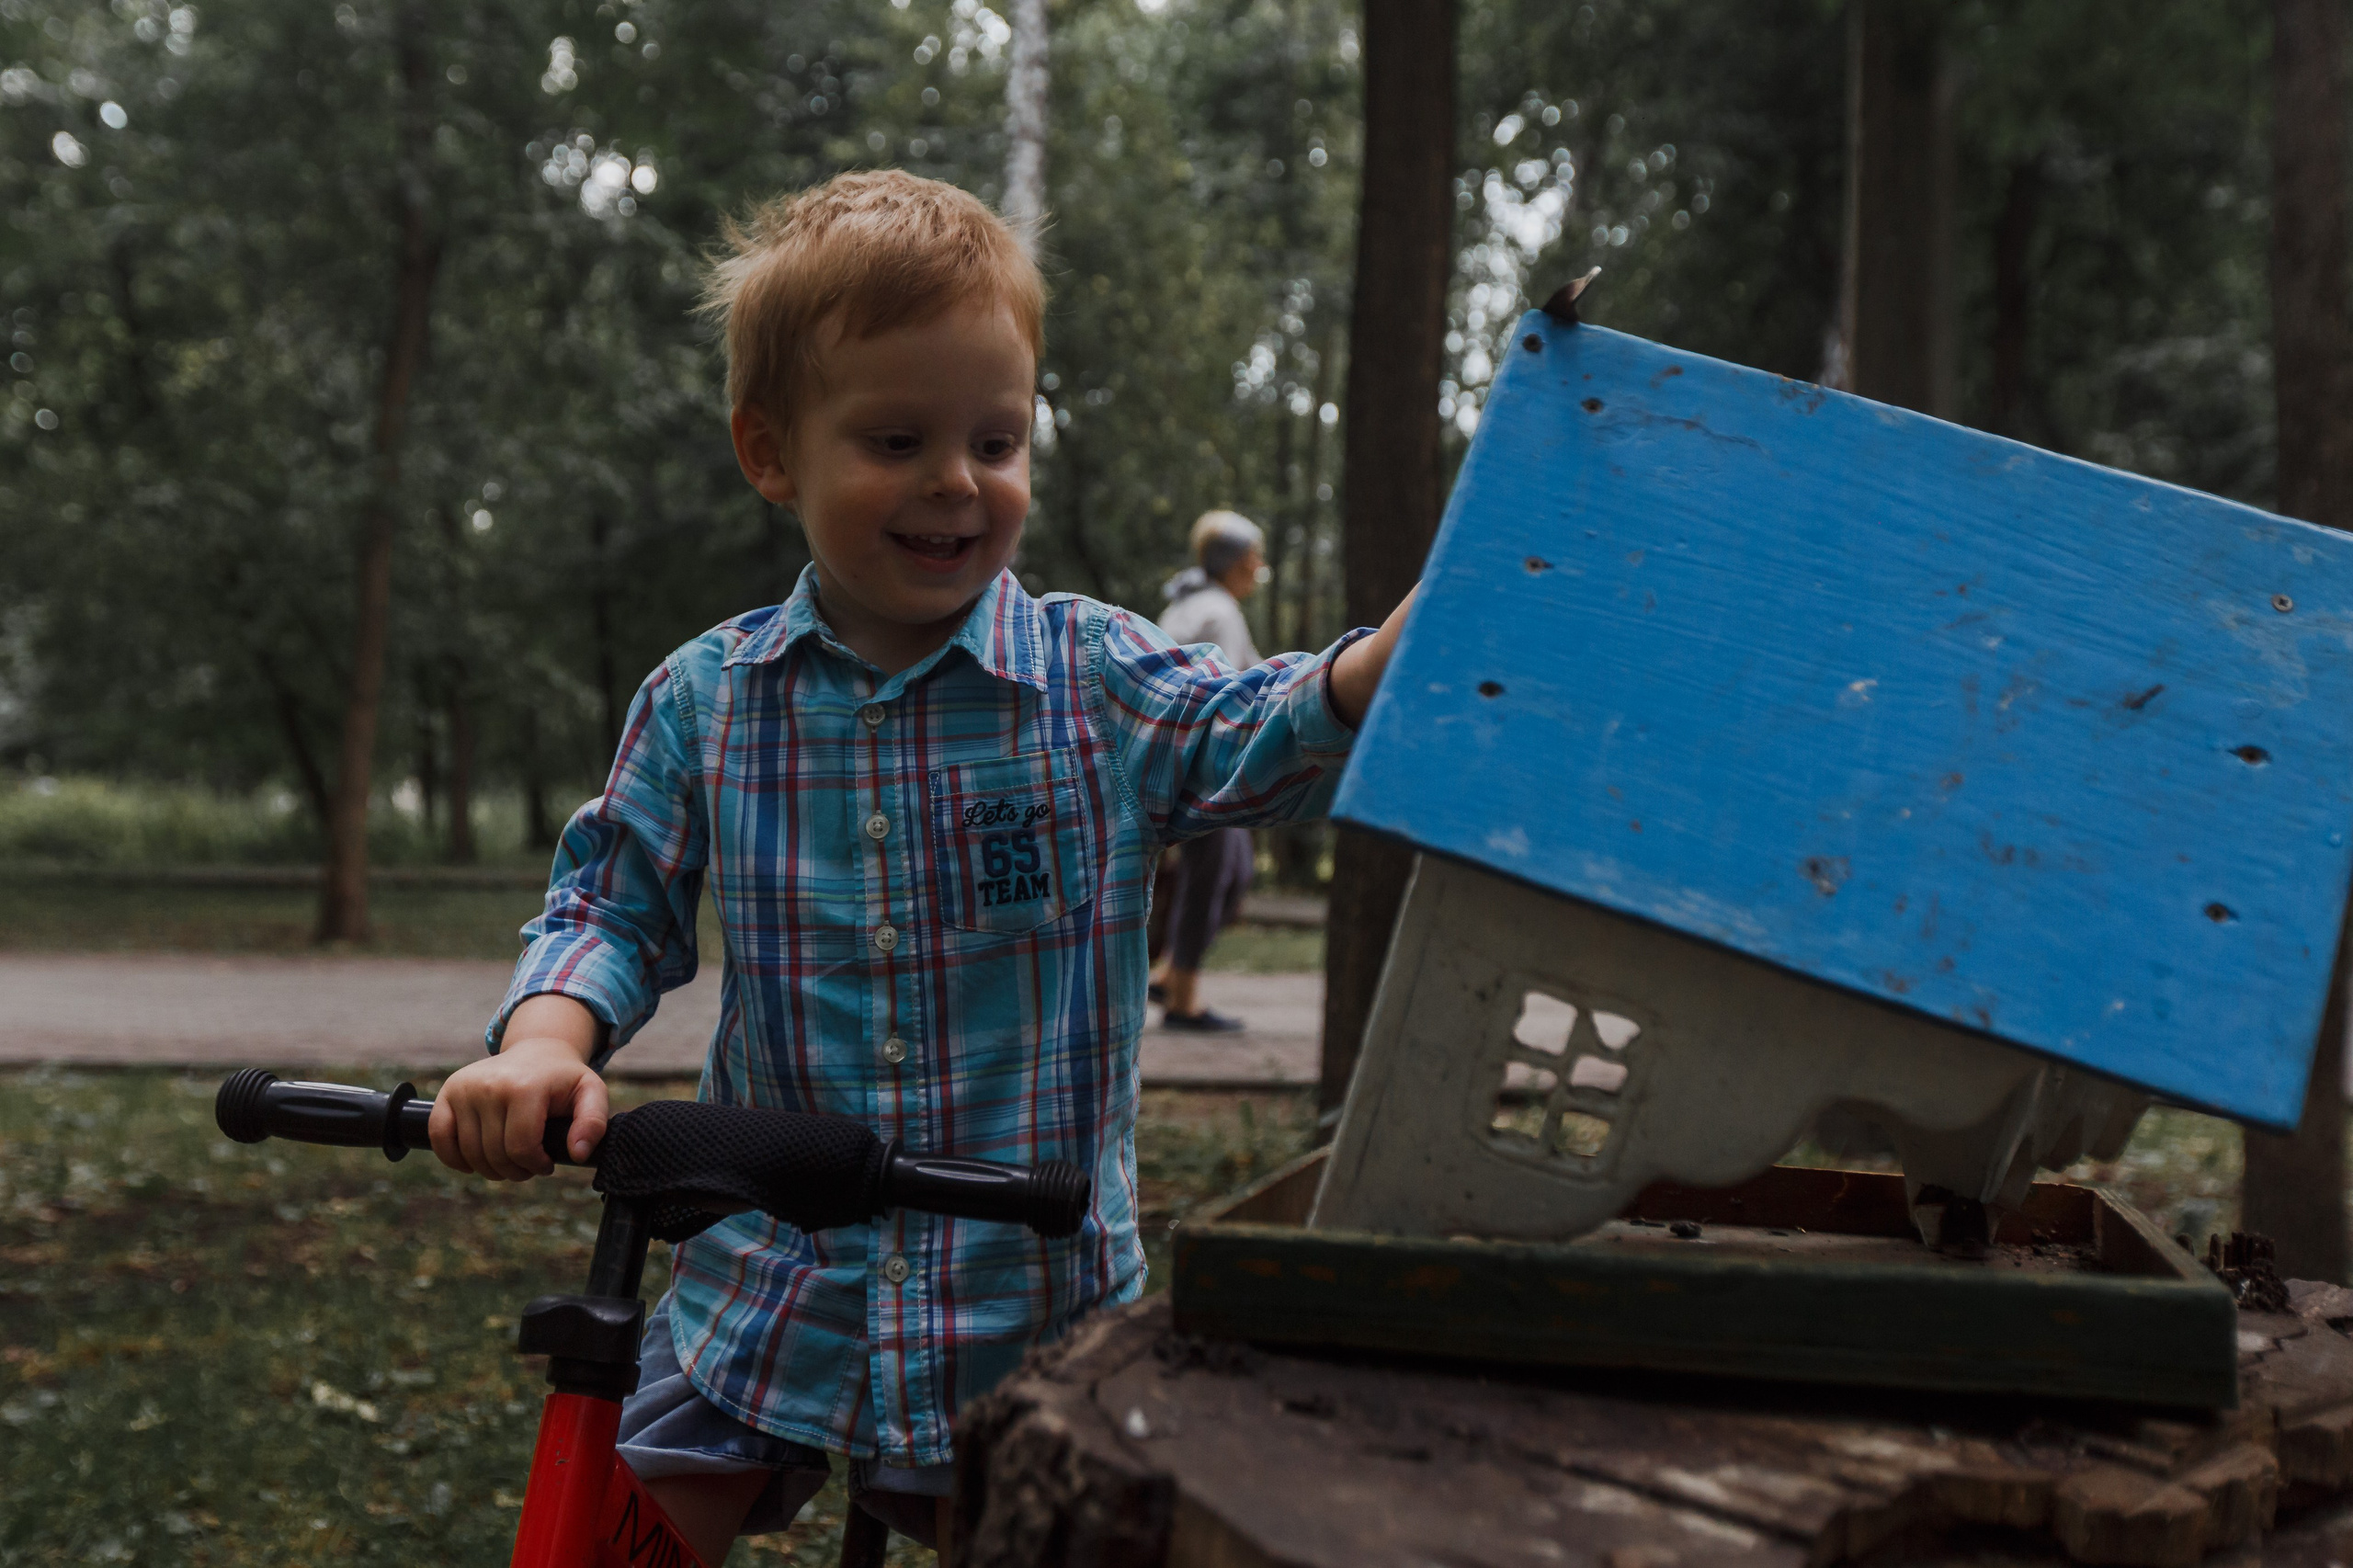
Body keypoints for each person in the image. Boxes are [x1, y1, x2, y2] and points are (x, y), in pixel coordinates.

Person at [423, 170, 1415, 1568]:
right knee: (605, 1529)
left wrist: (1377, 668)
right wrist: (541, 1045)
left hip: (1022, 1303)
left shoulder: (1090, 680)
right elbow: (611, 896)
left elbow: (1248, 731)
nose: (959, 480)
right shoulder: (711, 698)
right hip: (766, 1290)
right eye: (898, 438)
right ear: (771, 454)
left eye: (996, 439)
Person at [1150, 511, 1269, 1031]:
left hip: (1170, 762)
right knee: (1216, 876)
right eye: (1254, 558)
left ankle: (1169, 972)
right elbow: (1238, 689)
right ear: (1238, 562)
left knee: (1226, 872)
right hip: (1206, 766)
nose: (1259, 568)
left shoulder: (1186, 606)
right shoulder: (1219, 611)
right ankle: (1183, 999)